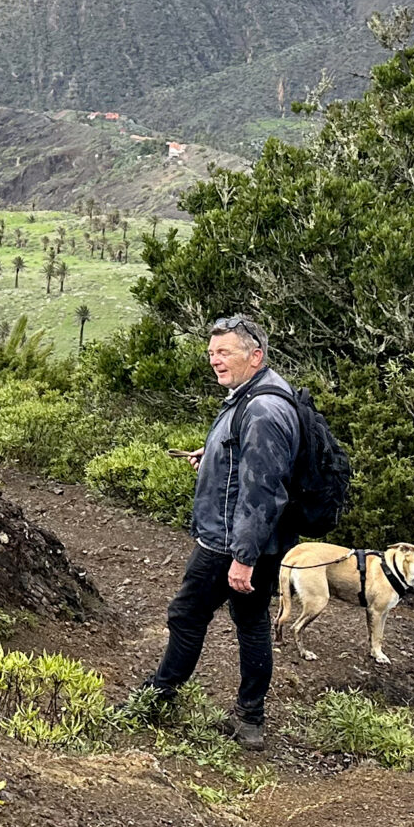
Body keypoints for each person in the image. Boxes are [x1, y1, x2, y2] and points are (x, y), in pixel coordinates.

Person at [131, 314, 300, 749]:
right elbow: (250, 461)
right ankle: (250, 720)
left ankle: (157, 697)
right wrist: (213, 456)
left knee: (187, 615)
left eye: (224, 352)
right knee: (251, 622)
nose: (215, 361)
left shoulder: (262, 408)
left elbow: (264, 489)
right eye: (211, 353)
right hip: (258, 540)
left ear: (255, 355)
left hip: (231, 542)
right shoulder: (261, 394)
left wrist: (242, 558)